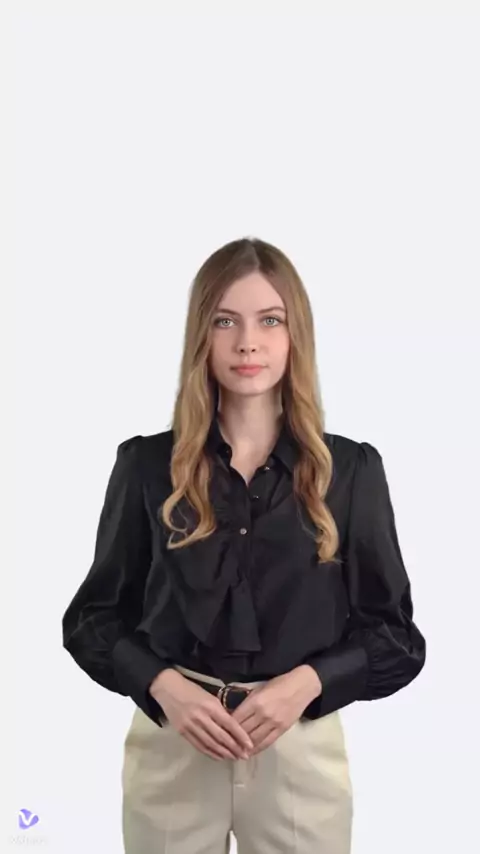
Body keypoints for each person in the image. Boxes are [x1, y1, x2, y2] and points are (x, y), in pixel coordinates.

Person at [62, 236, 426, 854]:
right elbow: (92, 620)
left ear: (295, 334)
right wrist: (164, 687)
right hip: (173, 747)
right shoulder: (146, 466)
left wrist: (307, 683)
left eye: (270, 320)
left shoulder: (350, 471)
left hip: (299, 753)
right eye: (225, 320)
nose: (247, 342)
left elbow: (395, 636)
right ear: (201, 335)